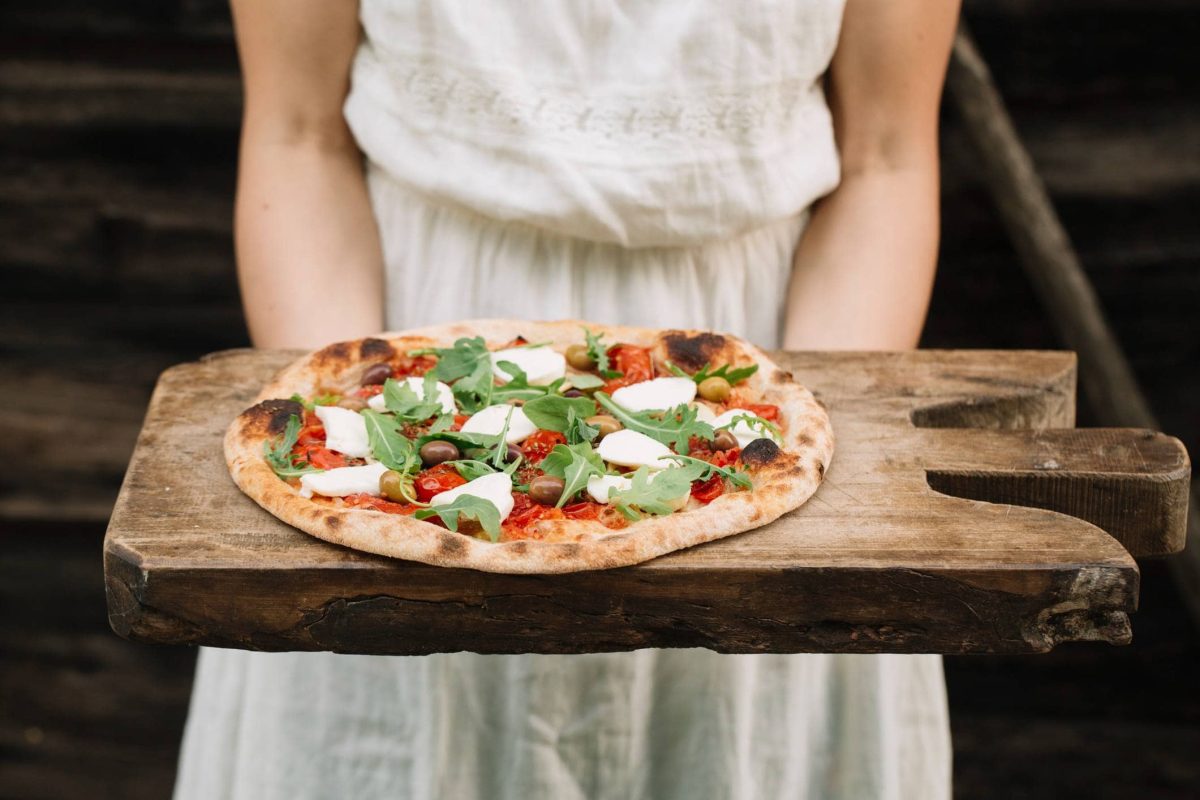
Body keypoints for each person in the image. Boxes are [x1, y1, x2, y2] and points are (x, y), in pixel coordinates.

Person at [175, 1, 961, 797]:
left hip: (753, 354)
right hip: (403, 342)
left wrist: (786, 491)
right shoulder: (377, 424)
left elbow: (886, 159)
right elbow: (298, 134)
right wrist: (363, 454)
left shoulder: (767, 419)